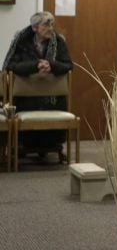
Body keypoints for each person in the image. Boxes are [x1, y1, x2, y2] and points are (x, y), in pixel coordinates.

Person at [2, 11, 73, 159]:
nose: (51, 28)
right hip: (26, 98)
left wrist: (51, 65)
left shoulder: (58, 41)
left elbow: (68, 65)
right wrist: (35, 66)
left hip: (52, 98)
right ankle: (24, 144)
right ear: (34, 27)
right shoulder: (21, 41)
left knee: (54, 107)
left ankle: (53, 145)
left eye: (52, 24)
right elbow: (10, 66)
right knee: (26, 106)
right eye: (46, 25)